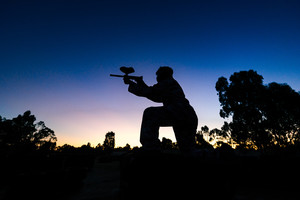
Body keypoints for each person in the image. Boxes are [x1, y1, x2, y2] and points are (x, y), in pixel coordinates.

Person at [124, 66, 198, 153]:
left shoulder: (167, 82)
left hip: (179, 113)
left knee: (149, 113)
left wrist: (131, 84)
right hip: (186, 116)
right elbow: (154, 95)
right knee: (188, 151)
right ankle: (211, 156)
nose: (156, 78)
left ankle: (150, 147)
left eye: (158, 75)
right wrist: (140, 83)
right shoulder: (170, 83)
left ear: (163, 74)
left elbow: (150, 92)